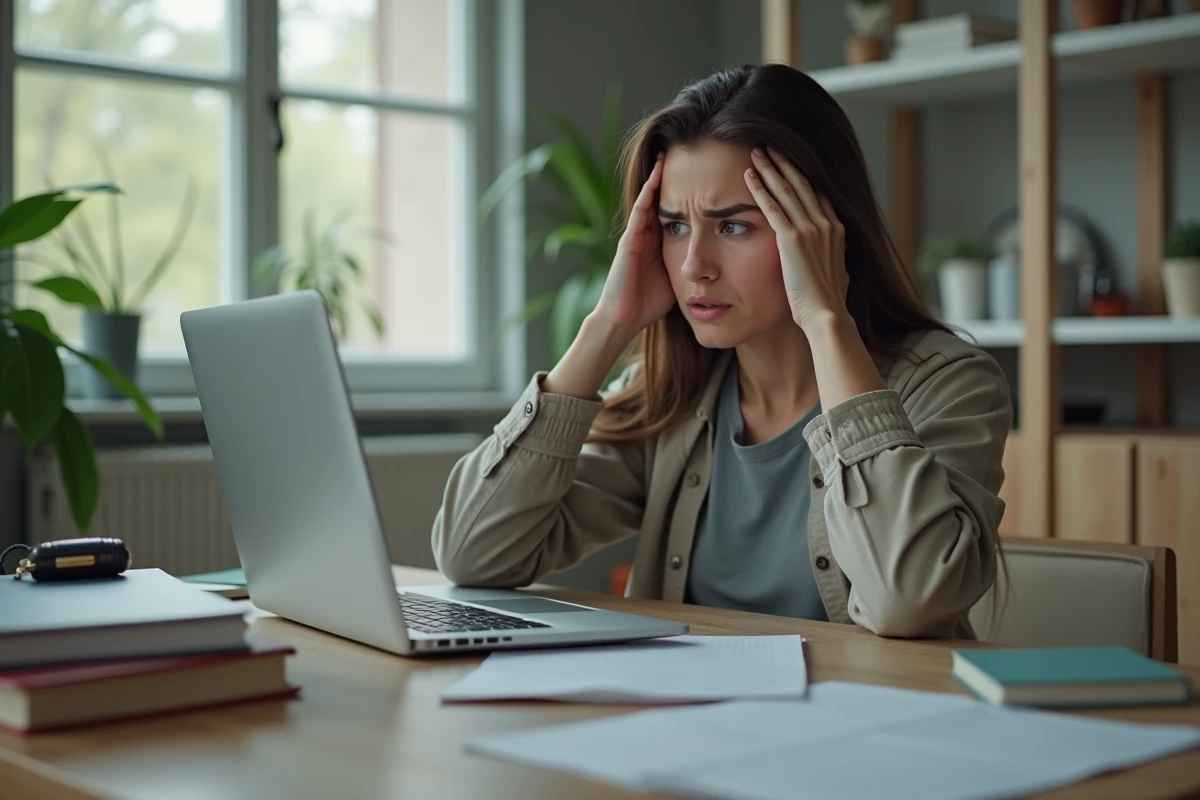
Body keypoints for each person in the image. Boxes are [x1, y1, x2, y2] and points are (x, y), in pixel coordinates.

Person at [432, 63, 1012, 638]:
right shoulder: (674, 398)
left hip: (875, 721)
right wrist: (608, 323)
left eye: (734, 227)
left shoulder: (948, 382)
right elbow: (472, 555)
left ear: (824, 232)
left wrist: (827, 321)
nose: (693, 267)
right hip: (686, 725)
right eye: (673, 226)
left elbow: (908, 602)